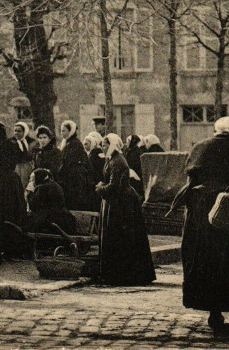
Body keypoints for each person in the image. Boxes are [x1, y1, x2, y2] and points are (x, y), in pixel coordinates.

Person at [172, 117, 229, 332]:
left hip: (198, 212)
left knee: (204, 259)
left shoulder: (199, 147)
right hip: (226, 209)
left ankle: (214, 313)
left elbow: (189, 176)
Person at [96, 133, 156, 286]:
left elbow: (115, 186)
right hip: (115, 202)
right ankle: (116, 274)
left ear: (113, 145)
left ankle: (123, 275)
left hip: (122, 205)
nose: (103, 147)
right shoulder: (111, 159)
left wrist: (100, 189)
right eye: (102, 145)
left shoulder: (118, 161)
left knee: (122, 238)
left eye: (105, 144)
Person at [0, 122, 28, 263]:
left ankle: (0, 247)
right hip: (12, 181)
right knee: (12, 211)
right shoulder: (11, 145)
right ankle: (13, 248)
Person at [57, 120, 98, 211]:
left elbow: (68, 162)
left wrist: (59, 173)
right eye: (61, 131)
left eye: (64, 131)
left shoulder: (75, 143)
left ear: (70, 131)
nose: (61, 133)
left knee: (74, 201)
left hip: (75, 177)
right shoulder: (68, 142)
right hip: (70, 176)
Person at [23, 168, 76, 235]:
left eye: (32, 180)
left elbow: (33, 206)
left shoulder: (41, 188)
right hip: (64, 220)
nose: (31, 182)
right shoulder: (55, 185)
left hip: (51, 220)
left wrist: (29, 194)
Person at [12, 121, 34, 189]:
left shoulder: (30, 143)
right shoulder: (11, 142)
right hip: (16, 168)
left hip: (27, 168)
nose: (16, 133)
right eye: (15, 131)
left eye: (19, 131)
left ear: (24, 132)